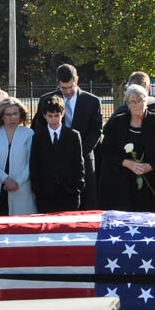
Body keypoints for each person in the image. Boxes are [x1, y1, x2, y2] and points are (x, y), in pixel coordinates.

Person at [109, 71, 155, 214]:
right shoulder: (118, 119)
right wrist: (127, 163)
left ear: (147, 92)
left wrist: (151, 166)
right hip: (125, 183)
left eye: (140, 99)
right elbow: (108, 150)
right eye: (132, 100)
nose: (137, 104)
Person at [35, 64, 102, 209]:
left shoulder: (92, 101)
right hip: (54, 163)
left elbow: (95, 131)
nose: (67, 91)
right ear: (58, 82)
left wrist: (77, 153)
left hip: (84, 158)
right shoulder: (46, 100)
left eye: (71, 86)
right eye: (63, 88)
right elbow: (39, 130)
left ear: (77, 79)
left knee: (87, 203)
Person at [30, 95, 84, 212]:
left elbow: (78, 163)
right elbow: (34, 164)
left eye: (56, 115)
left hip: (69, 192)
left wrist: (77, 188)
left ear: (62, 114)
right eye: (50, 116)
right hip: (45, 193)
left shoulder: (73, 136)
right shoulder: (38, 137)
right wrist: (37, 188)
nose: (54, 119)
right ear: (44, 115)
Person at [0, 97, 35, 216]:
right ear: (1, 116)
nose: (12, 118)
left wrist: (17, 182)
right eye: (8, 115)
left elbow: (31, 162)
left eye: (15, 114)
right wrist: (6, 180)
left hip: (21, 187)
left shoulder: (29, 133)